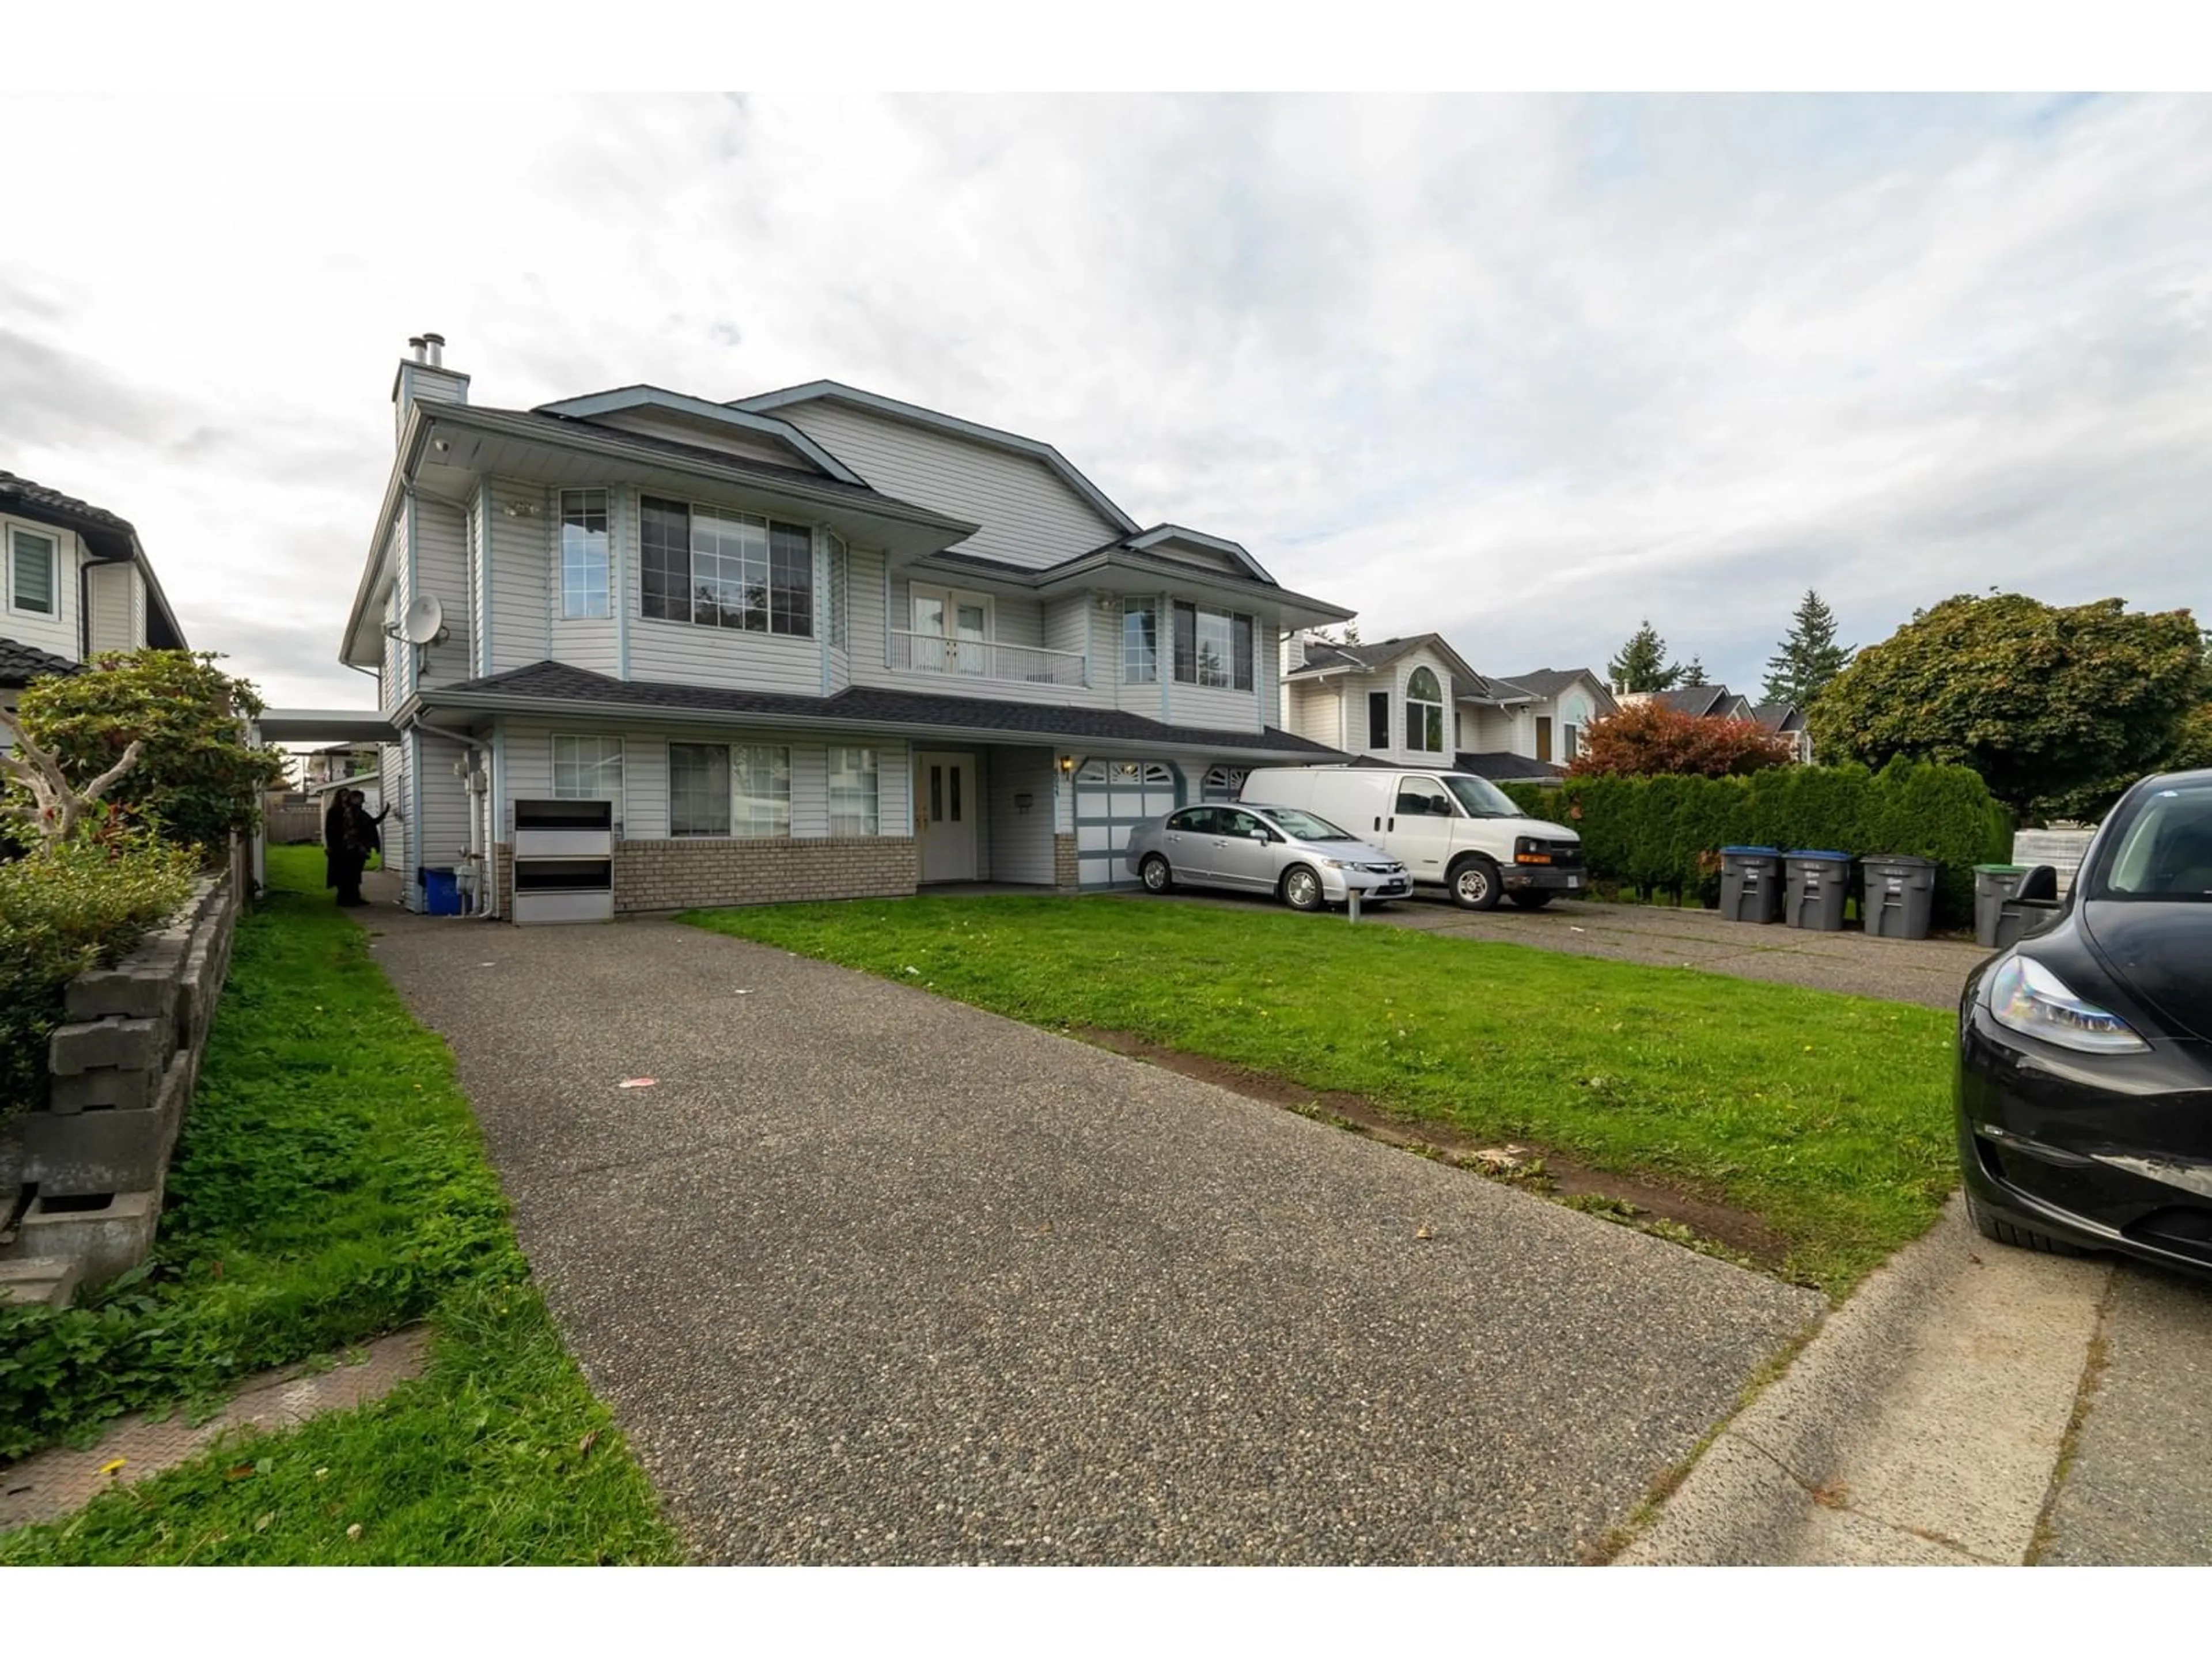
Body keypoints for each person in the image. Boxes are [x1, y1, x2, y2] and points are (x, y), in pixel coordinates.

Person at [325, 789, 366, 907]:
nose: (346, 798)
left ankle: (355, 897)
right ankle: (343, 899)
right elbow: (330, 830)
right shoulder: (334, 811)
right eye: (343, 795)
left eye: (347, 795)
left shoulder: (354, 811)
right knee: (342, 873)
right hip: (340, 846)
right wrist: (331, 845)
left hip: (353, 845)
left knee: (355, 873)